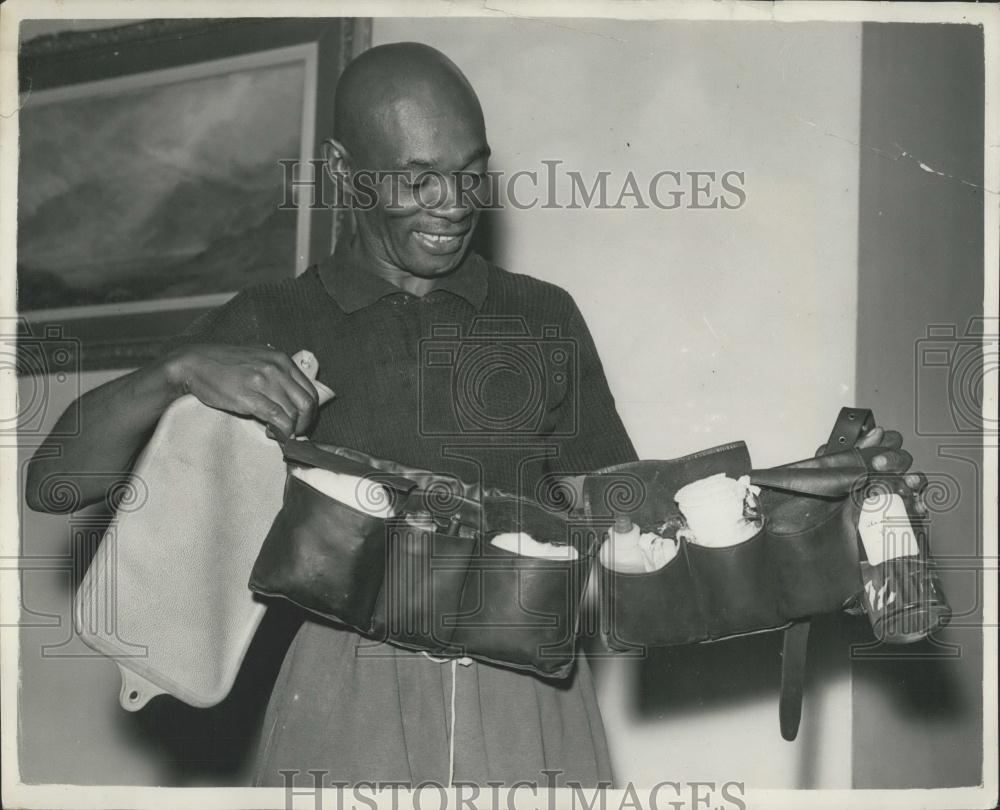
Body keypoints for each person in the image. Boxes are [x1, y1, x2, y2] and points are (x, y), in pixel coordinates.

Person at [25, 42, 921, 789]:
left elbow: (619, 513)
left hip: (531, 692)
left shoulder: (539, 315)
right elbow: (57, 481)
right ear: (344, 173)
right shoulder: (272, 320)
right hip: (342, 706)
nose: (452, 207)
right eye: (416, 181)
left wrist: (790, 497)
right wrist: (174, 371)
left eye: (468, 174)